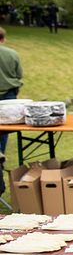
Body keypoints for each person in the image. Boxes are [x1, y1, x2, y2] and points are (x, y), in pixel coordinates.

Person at [0, 27, 23, 196]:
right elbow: (18, 74)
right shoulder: (12, 54)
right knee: (3, 133)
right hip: (8, 97)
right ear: (4, 38)